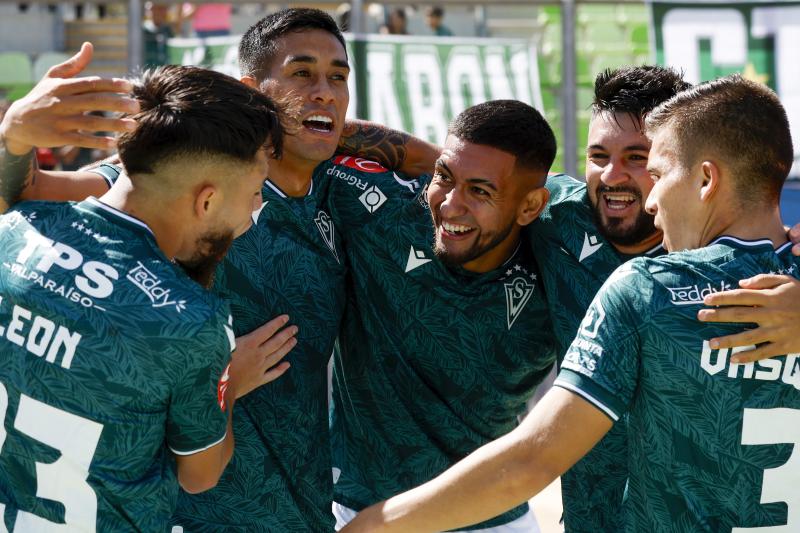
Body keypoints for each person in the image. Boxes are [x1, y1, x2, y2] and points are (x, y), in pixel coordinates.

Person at [342, 74, 800, 533]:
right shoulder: (557, 211)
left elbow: (532, 460)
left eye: (647, 166)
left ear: (704, 176)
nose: (615, 177)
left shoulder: (646, 288)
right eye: (598, 156)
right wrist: (311, 127)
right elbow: (470, 169)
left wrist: (373, 525)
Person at [0, 57, 293, 529]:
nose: (255, 210)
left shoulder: (15, 230)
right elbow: (200, 474)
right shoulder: (193, 322)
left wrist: (12, 137)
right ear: (207, 200)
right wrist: (230, 379)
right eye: (256, 191)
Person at [329, 100, 556, 532]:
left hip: (492, 520)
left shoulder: (564, 258)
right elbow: (309, 139)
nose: (451, 206)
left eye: (481, 191)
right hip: (355, 512)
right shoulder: (380, 209)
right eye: (445, 179)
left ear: (530, 207)